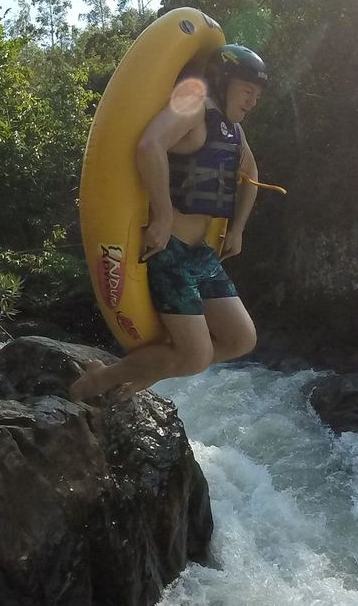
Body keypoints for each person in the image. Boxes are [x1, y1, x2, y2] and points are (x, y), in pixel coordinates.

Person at [71, 43, 268, 403]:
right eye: (247, 90)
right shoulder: (194, 109)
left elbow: (250, 173)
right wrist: (161, 215)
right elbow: (150, 145)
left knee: (241, 339)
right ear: (224, 82)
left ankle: (149, 368)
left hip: (201, 255)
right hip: (170, 251)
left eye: (257, 95)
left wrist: (237, 229)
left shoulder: (233, 131)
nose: (253, 100)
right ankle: (101, 378)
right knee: (196, 356)